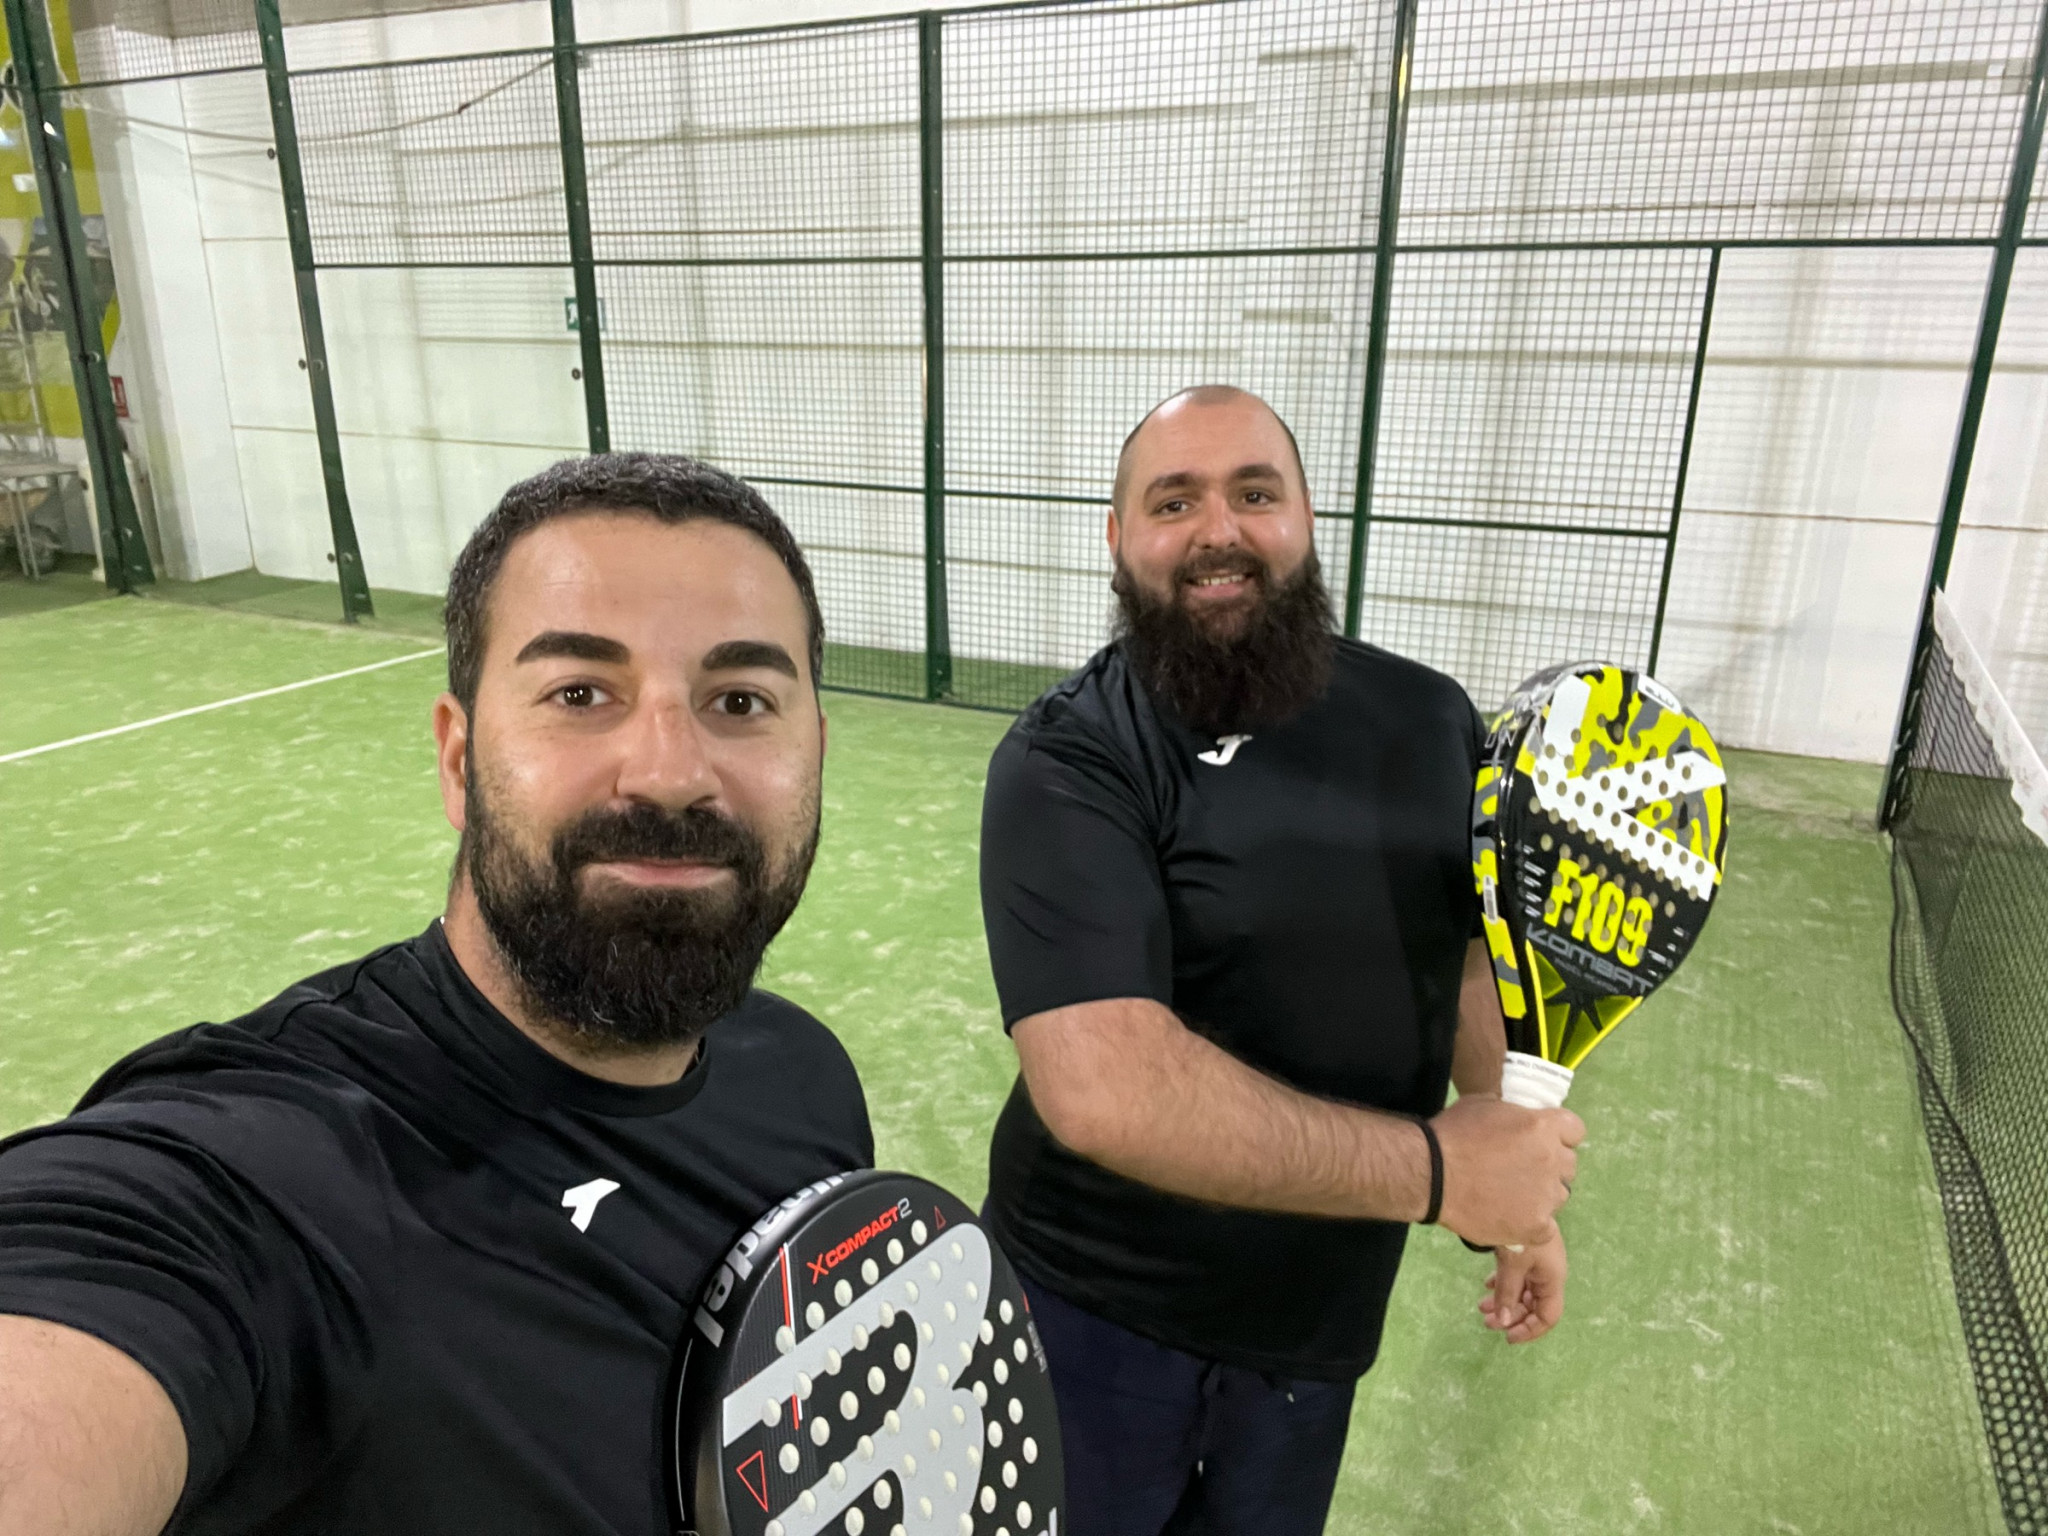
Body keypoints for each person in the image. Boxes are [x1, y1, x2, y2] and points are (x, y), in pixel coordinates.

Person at [0, 454, 871, 1535]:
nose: (668, 772)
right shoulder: (268, 1173)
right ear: (460, 762)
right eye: (579, 694)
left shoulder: (804, 1078)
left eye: (740, 701)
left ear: (814, 753)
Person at [977, 386, 1586, 1535]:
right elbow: (1103, 1087)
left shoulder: (1427, 722)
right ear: (1117, 537)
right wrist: (1440, 1174)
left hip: (1316, 1327)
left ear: (1307, 517)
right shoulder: (1066, 757)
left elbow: (1464, 959)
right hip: (1090, 1319)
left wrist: (1512, 1192)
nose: (1218, 530)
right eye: (1173, 502)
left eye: (1253, 493)